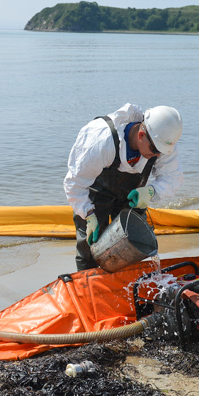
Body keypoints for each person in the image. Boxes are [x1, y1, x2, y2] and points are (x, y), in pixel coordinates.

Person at [64, 104, 184, 271]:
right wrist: (89, 215)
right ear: (141, 135)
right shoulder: (100, 140)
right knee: (90, 246)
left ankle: (125, 284)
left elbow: (173, 178)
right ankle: (90, 286)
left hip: (132, 194)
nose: (158, 156)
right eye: (155, 151)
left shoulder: (162, 142)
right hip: (96, 192)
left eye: (162, 152)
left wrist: (150, 191)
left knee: (134, 245)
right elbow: (75, 184)